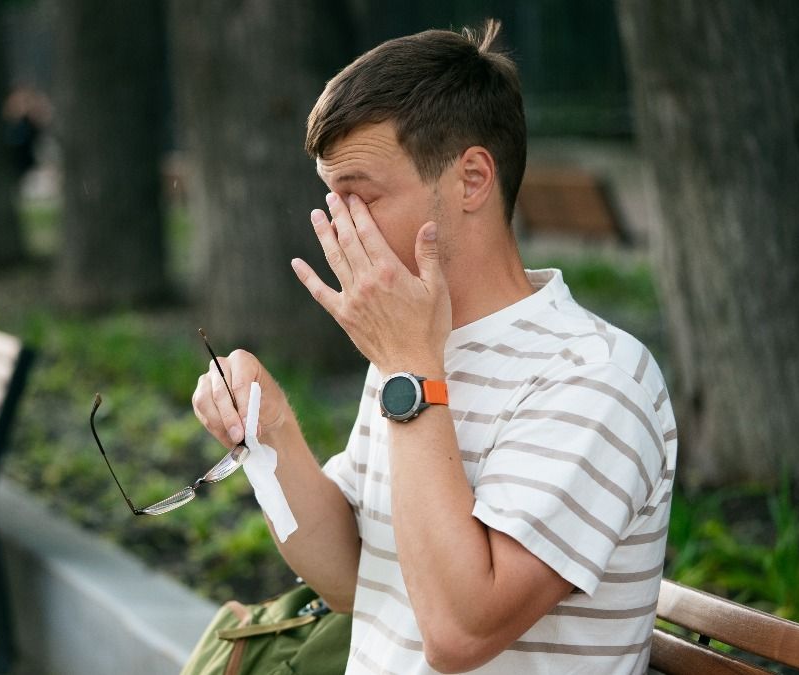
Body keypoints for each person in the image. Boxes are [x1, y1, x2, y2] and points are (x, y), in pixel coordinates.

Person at [192, 19, 676, 674]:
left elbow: (458, 633)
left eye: (361, 197)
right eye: (331, 200)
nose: (341, 227)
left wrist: (410, 374)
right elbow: (351, 581)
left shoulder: (595, 376)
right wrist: (268, 434)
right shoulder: (413, 346)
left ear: (473, 178)